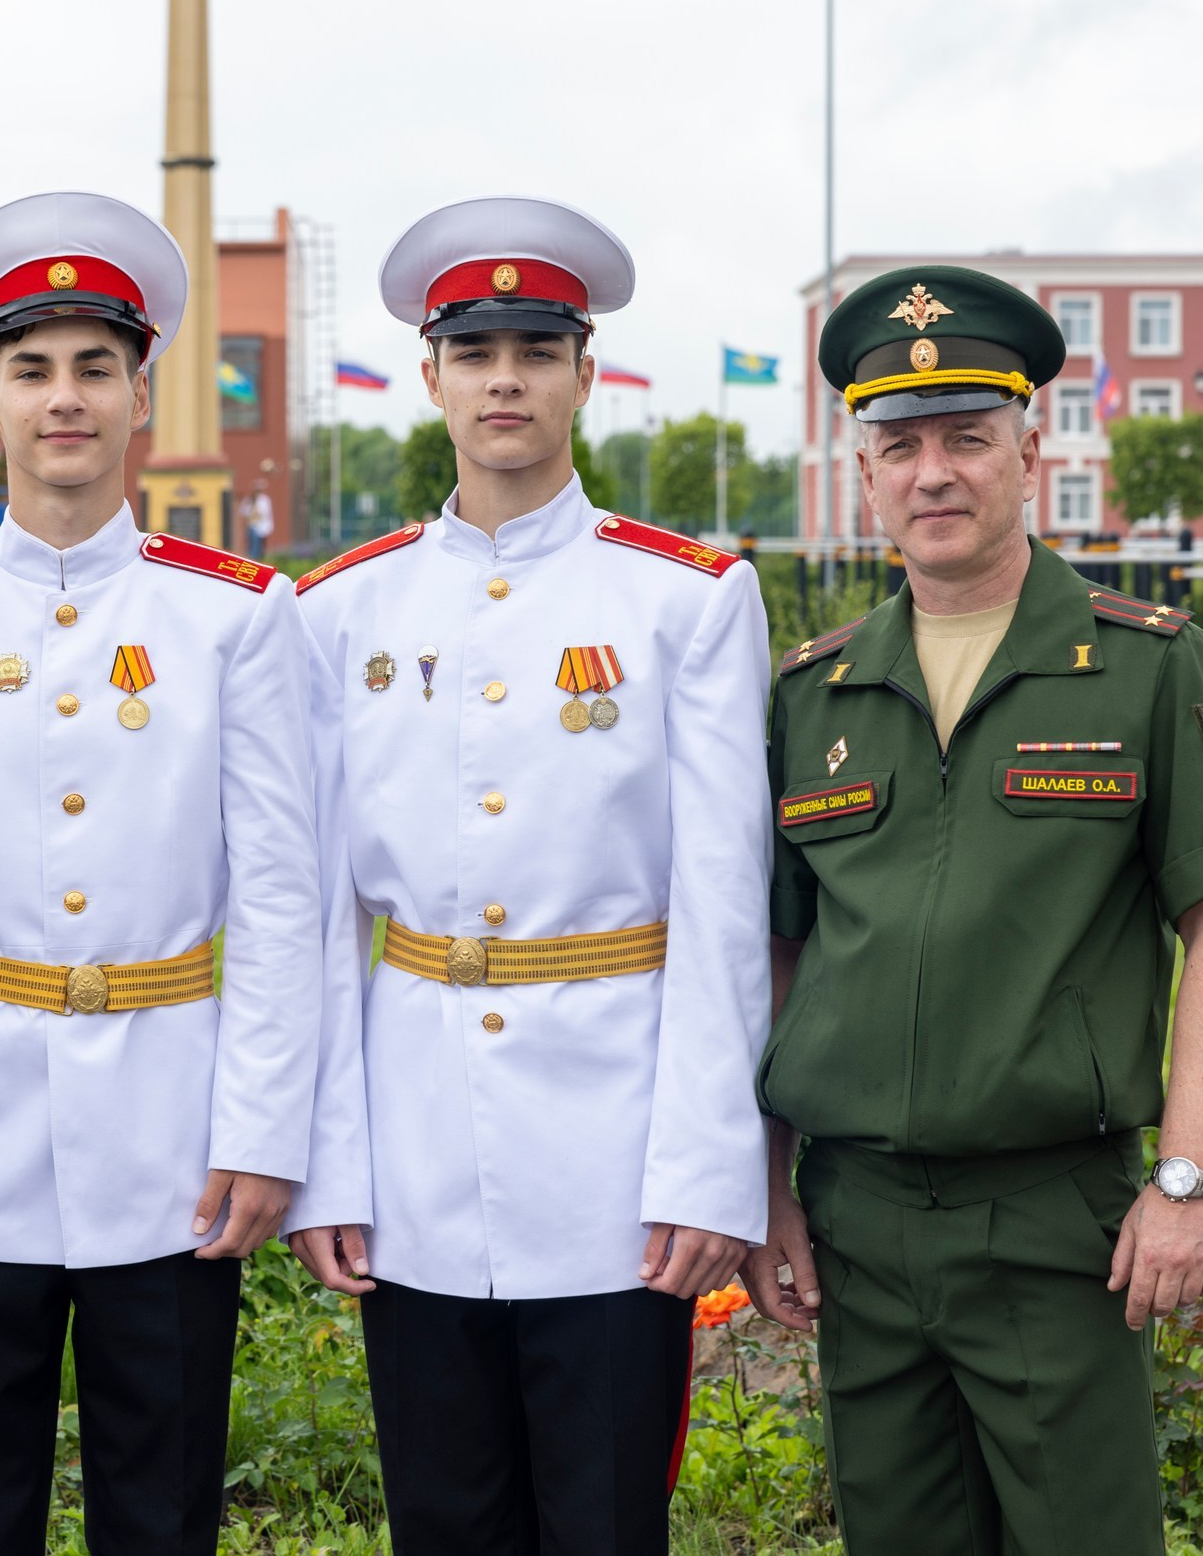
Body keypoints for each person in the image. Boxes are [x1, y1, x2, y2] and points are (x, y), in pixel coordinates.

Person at [745, 265, 1203, 1555]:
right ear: (864, 470)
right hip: (859, 1225)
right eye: (899, 444)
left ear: (1029, 450)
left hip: (1056, 1226)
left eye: (965, 438)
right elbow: (777, 952)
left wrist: (1193, 1179)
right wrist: (763, 1188)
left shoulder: (1149, 664)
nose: (932, 472)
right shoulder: (814, 695)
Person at [283, 195, 774, 1556]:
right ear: (430, 376)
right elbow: (319, 917)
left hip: (618, 1160)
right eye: (477, 349)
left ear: (584, 378)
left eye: (538, 350)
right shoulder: (342, 611)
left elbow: (726, 906)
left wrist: (709, 1168)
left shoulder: (686, 598)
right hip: (417, 1147)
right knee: (443, 1519)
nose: (507, 377)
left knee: (607, 1523)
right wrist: (328, 1168)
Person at [0, 191, 321, 1556]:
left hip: (174, 1125)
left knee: (161, 1508)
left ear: (140, 394)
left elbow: (282, 894)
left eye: (95, 368)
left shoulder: (235, 614)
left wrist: (262, 1130)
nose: (66, 400)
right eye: (32, 371)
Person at [243, 476, 275, 559]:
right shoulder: (250, 499)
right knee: (253, 549)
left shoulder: (264, 499)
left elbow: (266, 514)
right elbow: (244, 511)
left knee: (260, 549)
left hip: (261, 527)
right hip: (253, 526)